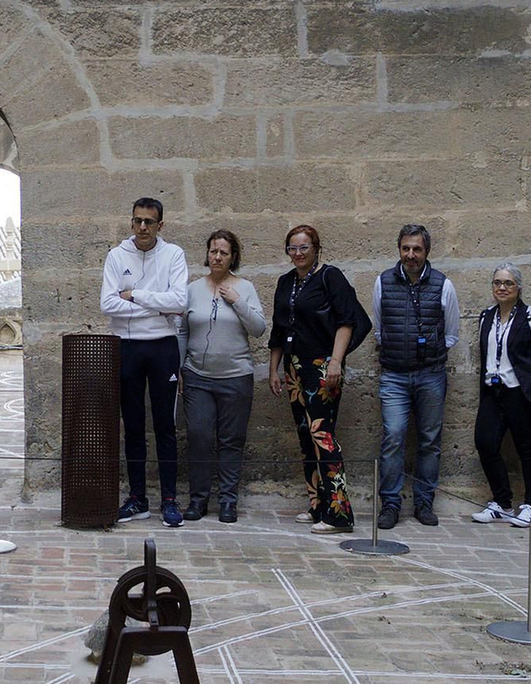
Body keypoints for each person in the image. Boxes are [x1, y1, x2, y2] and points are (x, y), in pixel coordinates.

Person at [269, 224, 368, 533]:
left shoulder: (330, 277)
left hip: (322, 365)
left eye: (304, 248)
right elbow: (278, 329)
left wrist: (336, 361)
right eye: (292, 249)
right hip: (294, 366)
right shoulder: (286, 282)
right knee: (305, 437)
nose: (298, 254)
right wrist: (274, 369)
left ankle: (339, 513)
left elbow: (347, 320)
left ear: (316, 249)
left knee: (322, 434)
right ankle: (317, 505)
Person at [102, 197, 189, 526]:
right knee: (133, 425)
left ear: (160, 225)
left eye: (149, 222)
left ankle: (169, 498)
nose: (142, 227)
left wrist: (135, 294)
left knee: (165, 426)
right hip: (128, 347)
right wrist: (157, 305)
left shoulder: (173, 255)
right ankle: (137, 498)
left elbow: (179, 301)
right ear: (131, 222)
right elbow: (108, 305)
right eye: (137, 221)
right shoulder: (116, 256)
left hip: (163, 347)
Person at [371, 223, 460, 529]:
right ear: (399, 250)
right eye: (406, 248)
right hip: (394, 375)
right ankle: (391, 505)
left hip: (431, 375)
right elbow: (379, 329)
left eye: (417, 249)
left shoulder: (443, 285)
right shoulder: (383, 282)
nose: (411, 255)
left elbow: (451, 334)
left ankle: (424, 502)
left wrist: (428, 353)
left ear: (427, 252)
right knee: (393, 436)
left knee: (430, 440)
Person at [181, 230, 267, 523]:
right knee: (199, 436)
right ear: (206, 254)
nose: (217, 257)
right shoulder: (192, 289)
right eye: (213, 251)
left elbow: (258, 328)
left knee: (232, 440)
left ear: (233, 257)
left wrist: (237, 301)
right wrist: (179, 369)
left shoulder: (245, 288)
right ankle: (198, 499)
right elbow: (183, 330)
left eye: (223, 253)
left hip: (236, 377)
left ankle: (228, 501)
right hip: (197, 377)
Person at [469, 264, 531, 526]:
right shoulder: (486, 316)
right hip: (492, 391)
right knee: (485, 443)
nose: (502, 288)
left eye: (508, 283)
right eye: (497, 282)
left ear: (518, 287)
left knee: (527, 447)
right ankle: (502, 502)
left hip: (520, 393)